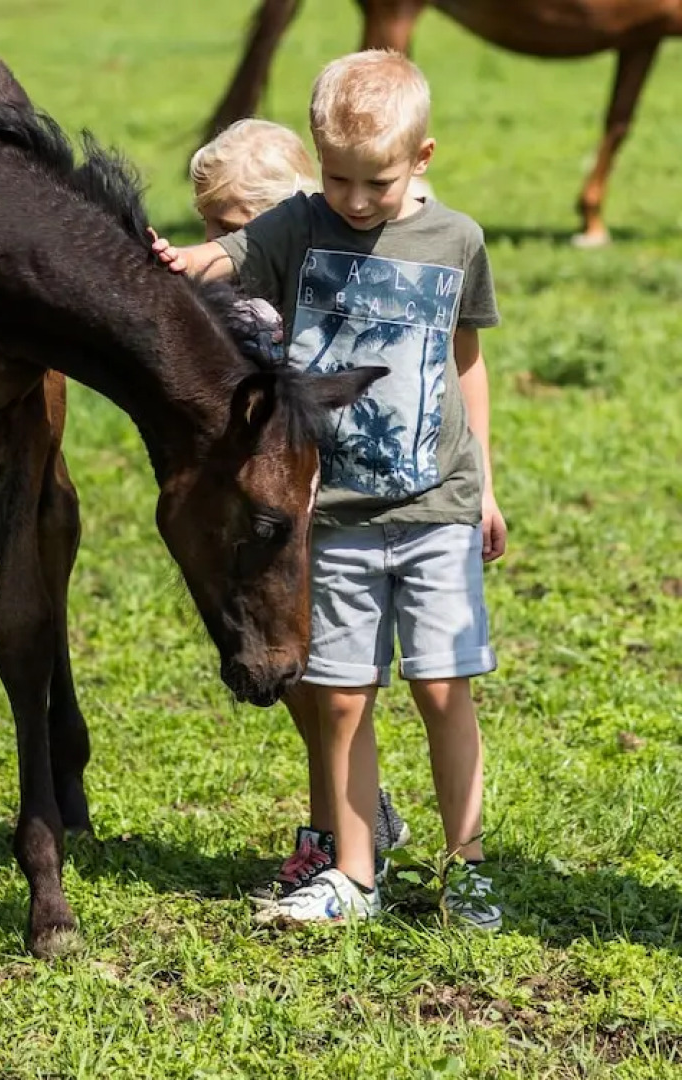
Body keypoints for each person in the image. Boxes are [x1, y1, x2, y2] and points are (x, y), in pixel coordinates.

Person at [154, 50, 506, 927]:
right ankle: (354, 873)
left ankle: (466, 870)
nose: (353, 199)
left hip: (436, 511)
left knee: (441, 689)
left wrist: (487, 485)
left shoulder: (456, 239)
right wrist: (175, 259)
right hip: (338, 517)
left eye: (374, 181)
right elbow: (228, 253)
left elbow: (467, 360)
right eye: (338, 178)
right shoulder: (301, 226)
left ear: (422, 158)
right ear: (317, 160)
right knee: (343, 695)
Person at [186, 116, 414, 913]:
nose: (218, 247)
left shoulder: (303, 295)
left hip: (331, 514)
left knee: (325, 675)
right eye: (208, 226)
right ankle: (363, 813)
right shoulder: (236, 306)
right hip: (283, 517)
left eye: (234, 228)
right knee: (299, 678)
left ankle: (338, 832)